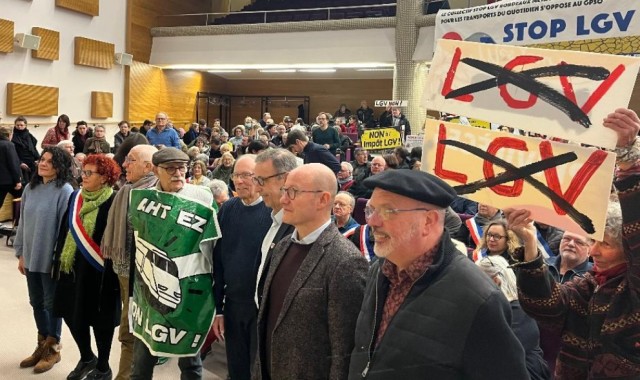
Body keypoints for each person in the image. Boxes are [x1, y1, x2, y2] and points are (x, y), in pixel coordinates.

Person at [348, 169, 528, 379]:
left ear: (428, 221)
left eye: (388, 211)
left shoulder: (478, 298)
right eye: (371, 210)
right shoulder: (380, 270)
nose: (372, 222)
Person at [508, 107, 640, 379]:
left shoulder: (632, 290)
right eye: (593, 241)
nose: (593, 251)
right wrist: (530, 244)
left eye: (605, 244)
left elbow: (636, 227)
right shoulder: (590, 284)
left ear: (627, 249)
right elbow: (545, 307)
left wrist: (628, 158)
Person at [254, 163, 368, 380]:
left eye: (293, 192)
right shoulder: (283, 245)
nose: (284, 199)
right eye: (284, 190)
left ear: (323, 199)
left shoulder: (346, 261)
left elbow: (344, 353)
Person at [130, 147, 214, 379]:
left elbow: (214, 242)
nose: (178, 173)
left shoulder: (203, 197)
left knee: (191, 359)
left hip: (189, 288)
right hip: (148, 290)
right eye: (170, 168)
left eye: (182, 168)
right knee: (142, 358)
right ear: (156, 170)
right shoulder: (143, 198)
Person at [53, 154, 121, 380]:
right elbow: (65, 231)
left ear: (104, 178)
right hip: (71, 268)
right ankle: (86, 357)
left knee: (101, 321)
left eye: (89, 173)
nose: (83, 176)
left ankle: (103, 366)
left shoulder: (114, 201)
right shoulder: (75, 197)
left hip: (100, 273)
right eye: (83, 172)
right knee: (71, 314)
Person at [14, 146, 75, 374]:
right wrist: (20, 253)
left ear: (59, 167)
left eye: (49, 161)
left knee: (52, 305)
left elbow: (65, 230)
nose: (43, 163)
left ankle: (53, 349)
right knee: (36, 302)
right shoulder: (31, 188)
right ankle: (42, 345)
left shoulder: (65, 190)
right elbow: (22, 224)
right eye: (42, 159)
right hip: (30, 257)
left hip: (50, 259)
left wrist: (56, 260)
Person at [212, 155, 272, 380]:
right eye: (236, 175)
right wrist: (218, 308)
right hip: (233, 305)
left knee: (259, 369)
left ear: (260, 178)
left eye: (246, 175)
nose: (239, 181)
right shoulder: (227, 209)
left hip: (262, 308)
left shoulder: (274, 213)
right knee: (236, 368)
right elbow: (217, 262)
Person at [101, 144, 157, 380]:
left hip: (146, 276)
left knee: (132, 330)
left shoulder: (156, 194)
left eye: (130, 160)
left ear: (148, 166)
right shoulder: (126, 191)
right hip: (124, 270)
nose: (124, 165)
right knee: (129, 329)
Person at [476, 256, 551, 380]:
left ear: (495, 281)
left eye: (477, 280)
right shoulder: (487, 307)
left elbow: (501, 353)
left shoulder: (521, 312)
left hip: (526, 373)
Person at [253, 149, 299, 308]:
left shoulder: (300, 229)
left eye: (261, 180)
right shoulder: (272, 220)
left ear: (286, 179)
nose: (257, 188)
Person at [11, 116, 40, 181]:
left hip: (32, 163)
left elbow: (34, 149)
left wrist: (38, 159)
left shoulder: (29, 136)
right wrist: (20, 163)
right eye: (17, 125)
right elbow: (12, 153)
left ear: (25, 125)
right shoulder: (12, 137)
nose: (19, 127)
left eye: (21, 125)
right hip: (19, 163)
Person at [0, 126, 23, 206]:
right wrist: (18, 181)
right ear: (10, 134)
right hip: (6, 181)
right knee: (22, 195)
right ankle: (18, 217)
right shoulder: (9, 145)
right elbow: (13, 164)